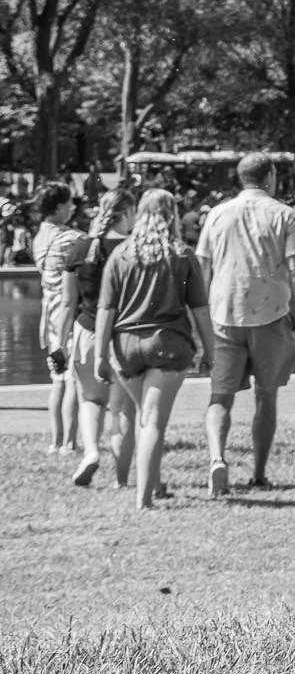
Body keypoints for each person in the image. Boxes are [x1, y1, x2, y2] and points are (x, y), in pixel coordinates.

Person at [196, 153, 295, 497]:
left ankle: (217, 458)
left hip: (223, 315)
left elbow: (202, 268)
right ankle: (259, 473)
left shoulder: (216, 214)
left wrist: (198, 318)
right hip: (271, 314)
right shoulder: (284, 214)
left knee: (220, 396)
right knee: (266, 396)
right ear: (270, 177)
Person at [92, 189, 218, 509]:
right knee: (152, 422)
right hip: (168, 344)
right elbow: (201, 310)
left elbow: (105, 310)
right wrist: (211, 352)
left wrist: (100, 355)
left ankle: (156, 484)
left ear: (140, 214)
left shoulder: (120, 255)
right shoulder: (182, 256)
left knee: (143, 417)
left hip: (125, 348)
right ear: (172, 215)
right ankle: (144, 498)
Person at [63, 188, 138, 488]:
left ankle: (91, 452)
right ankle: (122, 478)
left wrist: (58, 340)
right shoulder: (134, 248)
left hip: (87, 331)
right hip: (124, 334)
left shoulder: (81, 248)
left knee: (90, 399)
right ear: (129, 213)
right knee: (121, 408)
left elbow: (69, 302)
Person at [34, 182, 85, 453]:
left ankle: (56, 441)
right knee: (73, 380)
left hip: (50, 314)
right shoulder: (71, 239)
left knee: (57, 379)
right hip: (70, 314)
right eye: (69, 204)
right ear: (60, 207)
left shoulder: (39, 236)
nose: (73, 208)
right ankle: (70, 442)